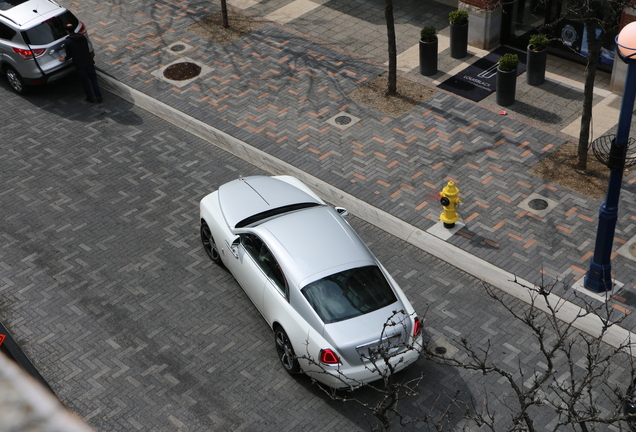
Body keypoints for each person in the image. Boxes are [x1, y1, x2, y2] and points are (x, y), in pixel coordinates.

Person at [59, 24, 102, 103]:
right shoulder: (82, 37)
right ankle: (98, 96)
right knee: (93, 80)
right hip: (88, 61)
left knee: (84, 81)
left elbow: (69, 55)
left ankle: (90, 97)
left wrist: (63, 58)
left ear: (68, 31)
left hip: (79, 64)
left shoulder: (68, 41)